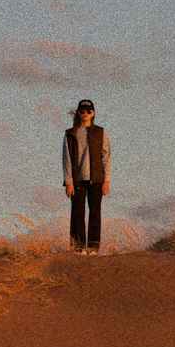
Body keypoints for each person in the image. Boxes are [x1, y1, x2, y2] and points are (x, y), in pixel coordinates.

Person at [63, 98, 110, 253]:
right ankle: (79, 247)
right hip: (77, 180)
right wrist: (68, 181)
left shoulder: (100, 133)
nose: (85, 114)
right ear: (78, 113)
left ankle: (93, 246)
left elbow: (107, 157)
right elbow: (67, 159)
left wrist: (107, 180)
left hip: (96, 179)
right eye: (82, 111)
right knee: (77, 213)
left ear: (93, 113)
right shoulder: (71, 134)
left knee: (95, 212)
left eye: (88, 111)